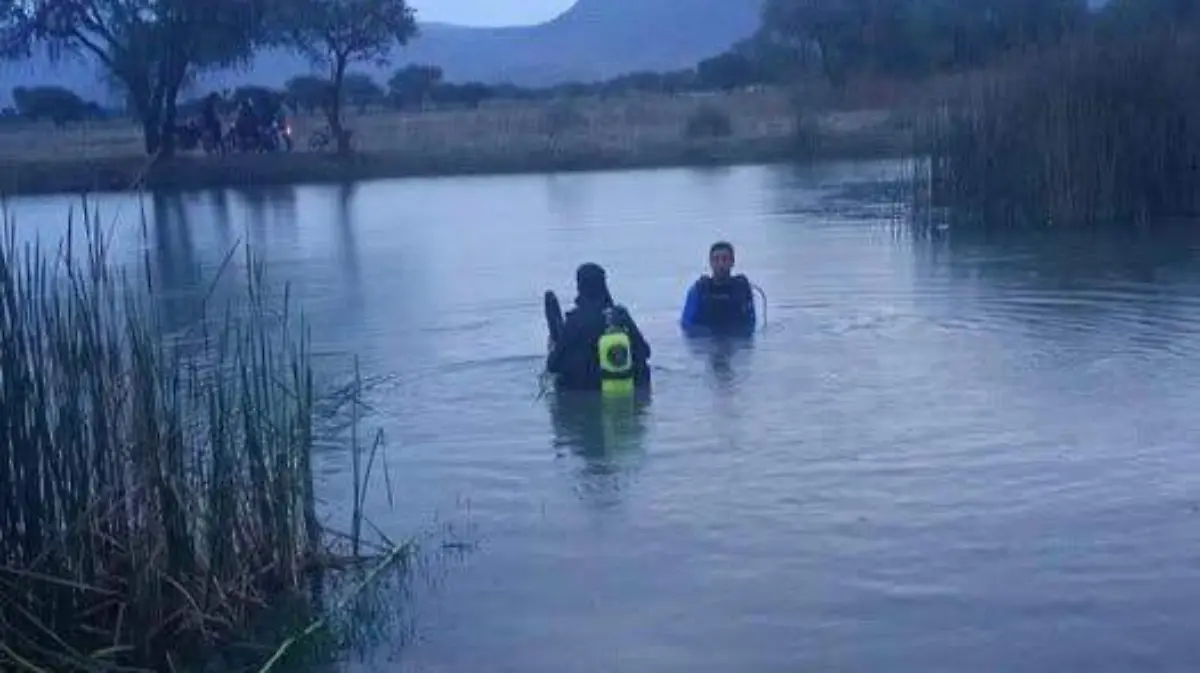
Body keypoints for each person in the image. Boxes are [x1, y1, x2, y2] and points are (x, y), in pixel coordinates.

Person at [547, 263, 652, 393]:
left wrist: (552, 348)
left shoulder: (575, 321)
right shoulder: (621, 315)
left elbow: (553, 366)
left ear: (579, 286)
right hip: (627, 388)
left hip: (584, 394)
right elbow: (645, 352)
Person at [679, 241, 756, 336]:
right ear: (710, 262)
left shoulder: (742, 288)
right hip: (706, 343)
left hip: (736, 342)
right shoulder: (699, 290)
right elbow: (686, 324)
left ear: (732, 262)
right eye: (716, 259)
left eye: (725, 259)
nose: (720, 264)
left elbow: (751, 322)